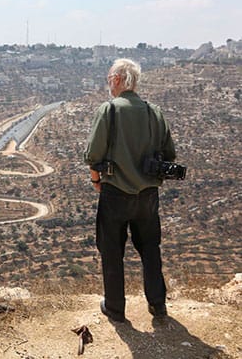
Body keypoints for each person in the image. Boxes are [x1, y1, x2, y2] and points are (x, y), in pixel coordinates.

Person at [83, 58, 176, 323]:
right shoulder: (153, 112)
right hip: (148, 196)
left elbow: (93, 154)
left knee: (112, 249)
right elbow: (170, 154)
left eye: (109, 77)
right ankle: (158, 305)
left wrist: (95, 181)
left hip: (114, 193)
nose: (108, 82)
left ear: (117, 79)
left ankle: (115, 308)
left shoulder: (109, 111)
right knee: (150, 247)